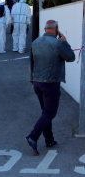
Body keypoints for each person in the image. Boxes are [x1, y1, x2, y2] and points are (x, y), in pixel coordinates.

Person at [25, 20, 75, 155]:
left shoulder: (35, 42)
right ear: (56, 29)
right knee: (50, 113)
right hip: (51, 83)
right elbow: (71, 57)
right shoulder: (58, 44)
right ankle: (33, 137)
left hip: (37, 83)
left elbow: (31, 63)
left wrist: (32, 80)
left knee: (45, 112)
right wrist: (65, 41)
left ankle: (49, 140)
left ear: (45, 29)